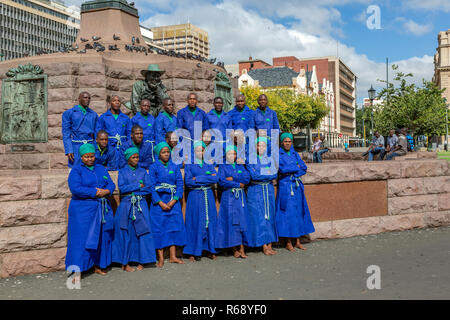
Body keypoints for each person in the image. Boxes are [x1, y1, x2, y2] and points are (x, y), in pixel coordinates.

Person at [65, 143, 115, 284]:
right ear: (81, 157)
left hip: (100, 209)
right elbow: (75, 188)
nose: (90, 159)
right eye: (87, 157)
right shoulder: (76, 171)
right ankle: (75, 272)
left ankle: (97, 265)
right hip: (82, 211)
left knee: (99, 238)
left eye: (92, 156)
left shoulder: (100, 168)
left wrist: (106, 191)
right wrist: (95, 192)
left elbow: (111, 184)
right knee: (80, 240)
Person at [112, 147, 156, 272]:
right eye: (133, 157)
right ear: (128, 159)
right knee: (127, 232)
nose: (136, 159)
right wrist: (138, 185)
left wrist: (134, 188)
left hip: (141, 204)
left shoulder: (143, 171)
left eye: (137, 157)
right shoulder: (122, 172)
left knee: (142, 232)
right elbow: (122, 188)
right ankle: (125, 262)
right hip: (127, 205)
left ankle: (142, 260)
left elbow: (148, 188)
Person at [148, 142, 187, 268]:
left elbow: (180, 184)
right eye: (163, 152)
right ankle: (160, 258)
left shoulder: (175, 167)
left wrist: (175, 199)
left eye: (167, 152)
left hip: (172, 202)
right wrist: (160, 202)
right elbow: (151, 187)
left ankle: (173, 256)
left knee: (173, 227)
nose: (166, 154)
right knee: (159, 228)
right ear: (158, 154)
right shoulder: (154, 167)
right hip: (158, 203)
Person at [276, 133, 315, 251]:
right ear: (282, 142)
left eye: (289, 141)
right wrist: (295, 167)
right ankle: (288, 241)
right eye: (285, 141)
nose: (287, 143)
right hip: (285, 186)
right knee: (287, 213)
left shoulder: (295, 153)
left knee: (298, 211)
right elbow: (281, 169)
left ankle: (297, 240)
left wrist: (293, 170)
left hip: (297, 186)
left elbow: (304, 167)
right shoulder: (278, 154)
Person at [183, 141, 219, 261]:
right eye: (198, 150)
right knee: (195, 222)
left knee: (210, 221)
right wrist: (206, 178)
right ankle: (193, 251)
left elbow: (216, 178)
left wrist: (198, 178)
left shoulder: (208, 164)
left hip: (208, 195)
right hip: (195, 196)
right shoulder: (189, 164)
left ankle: (210, 249)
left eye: (202, 150)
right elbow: (188, 182)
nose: (200, 152)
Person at [243, 137, 278, 255]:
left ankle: (270, 243)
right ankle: (263, 244)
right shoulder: (250, 159)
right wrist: (266, 173)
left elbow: (274, 174)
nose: (261, 148)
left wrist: (264, 174)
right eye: (259, 145)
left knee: (269, 216)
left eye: (263, 146)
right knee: (259, 217)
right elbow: (254, 175)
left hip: (268, 190)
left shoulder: (270, 159)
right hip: (255, 190)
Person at [216, 145, 251, 258]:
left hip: (240, 198)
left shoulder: (240, 165)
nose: (232, 156)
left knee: (242, 221)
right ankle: (233, 247)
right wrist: (237, 183)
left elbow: (247, 178)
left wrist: (232, 178)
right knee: (230, 221)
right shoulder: (223, 166)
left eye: (234, 153)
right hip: (229, 197)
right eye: (230, 153)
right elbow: (222, 181)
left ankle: (242, 247)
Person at [62, 92, 98, 168]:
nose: (87, 100)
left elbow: (96, 133)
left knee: (90, 169)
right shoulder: (69, 113)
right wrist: (69, 149)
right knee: (75, 168)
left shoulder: (93, 114)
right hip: (76, 146)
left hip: (89, 145)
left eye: (89, 98)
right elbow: (66, 133)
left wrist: (96, 148)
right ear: (79, 99)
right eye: (85, 98)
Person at [96, 95, 132, 167]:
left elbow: (129, 134)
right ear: (110, 103)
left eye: (118, 101)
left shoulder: (126, 118)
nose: (117, 102)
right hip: (108, 147)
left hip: (122, 147)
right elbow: (98, 132)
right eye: (114, 101)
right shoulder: (103, 117)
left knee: (123, 167)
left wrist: (128, 146)